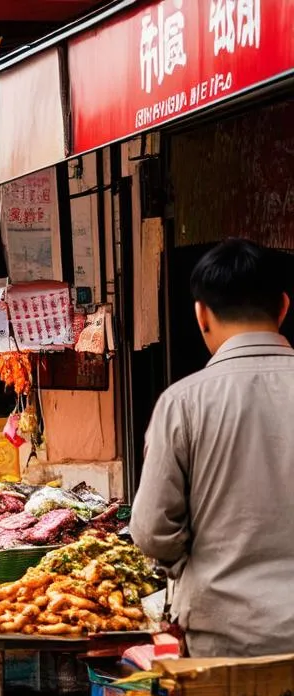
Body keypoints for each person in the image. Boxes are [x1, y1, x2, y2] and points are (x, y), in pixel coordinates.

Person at [131, 238, 294, 657]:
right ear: (282, 308)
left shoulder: (182, 403)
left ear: (201, 314)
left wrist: (190, 565)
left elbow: (150, 530)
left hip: (224, 640)